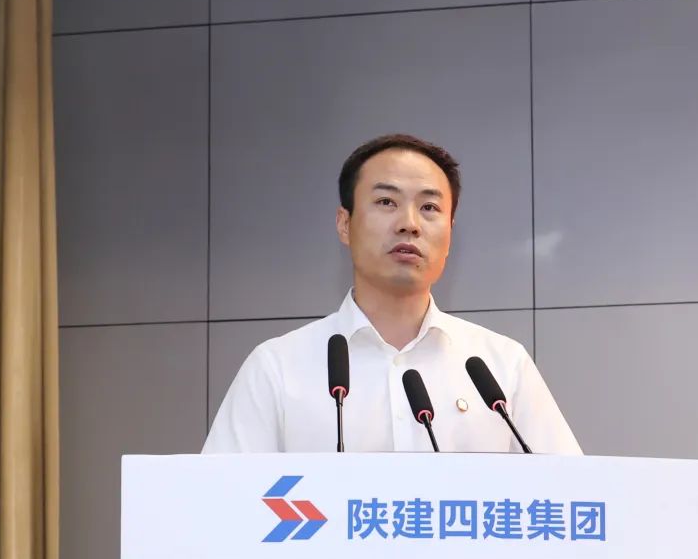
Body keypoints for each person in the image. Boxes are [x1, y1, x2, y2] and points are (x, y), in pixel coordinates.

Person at [203, 134, 581, 455]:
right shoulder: (277, 368)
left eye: (429, 207)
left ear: (450, 233)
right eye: (387, 202)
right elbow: (221, 501)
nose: (409, 224)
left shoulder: (501, 366)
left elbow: (569, 494)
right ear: (345, 224)